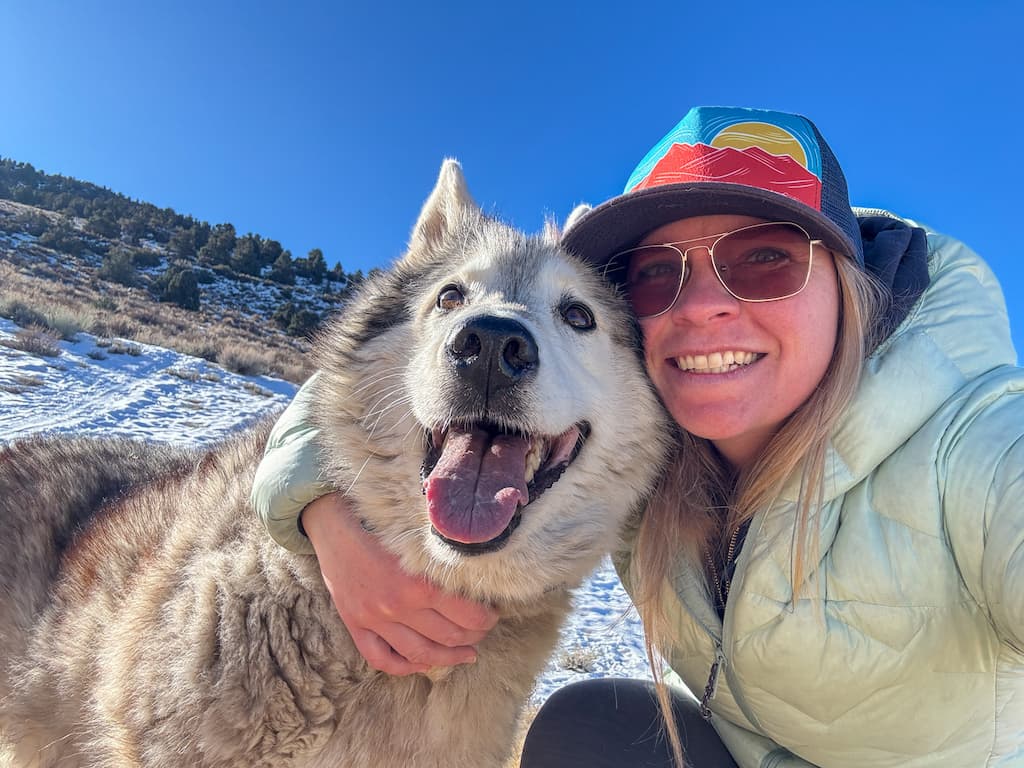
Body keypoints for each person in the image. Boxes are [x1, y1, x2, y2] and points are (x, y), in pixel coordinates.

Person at [251, 106, 1023, 767]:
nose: (704, 306)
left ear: (852, 285)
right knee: (592, 731)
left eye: (763, 261)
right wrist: (326, 512)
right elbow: (363, 372)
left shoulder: (970, 445)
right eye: (659, 274)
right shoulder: (649, 455)